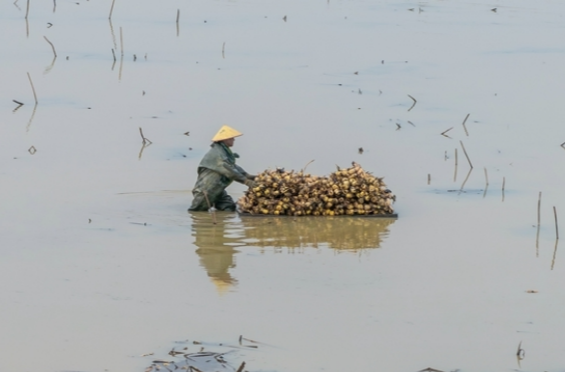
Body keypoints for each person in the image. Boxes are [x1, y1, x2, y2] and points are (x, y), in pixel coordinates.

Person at [189, 125, 256, 211]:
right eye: (232, 138)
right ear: (225, 139)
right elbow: (229, 171)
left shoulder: (224, 151)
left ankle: (221, 223)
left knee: (229, 206)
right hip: (206, 189)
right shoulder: (218, 153)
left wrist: (247, 175)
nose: (234, 140)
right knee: (196, 212)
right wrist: (246, 181)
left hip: (218, 188)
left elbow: (233, 166)